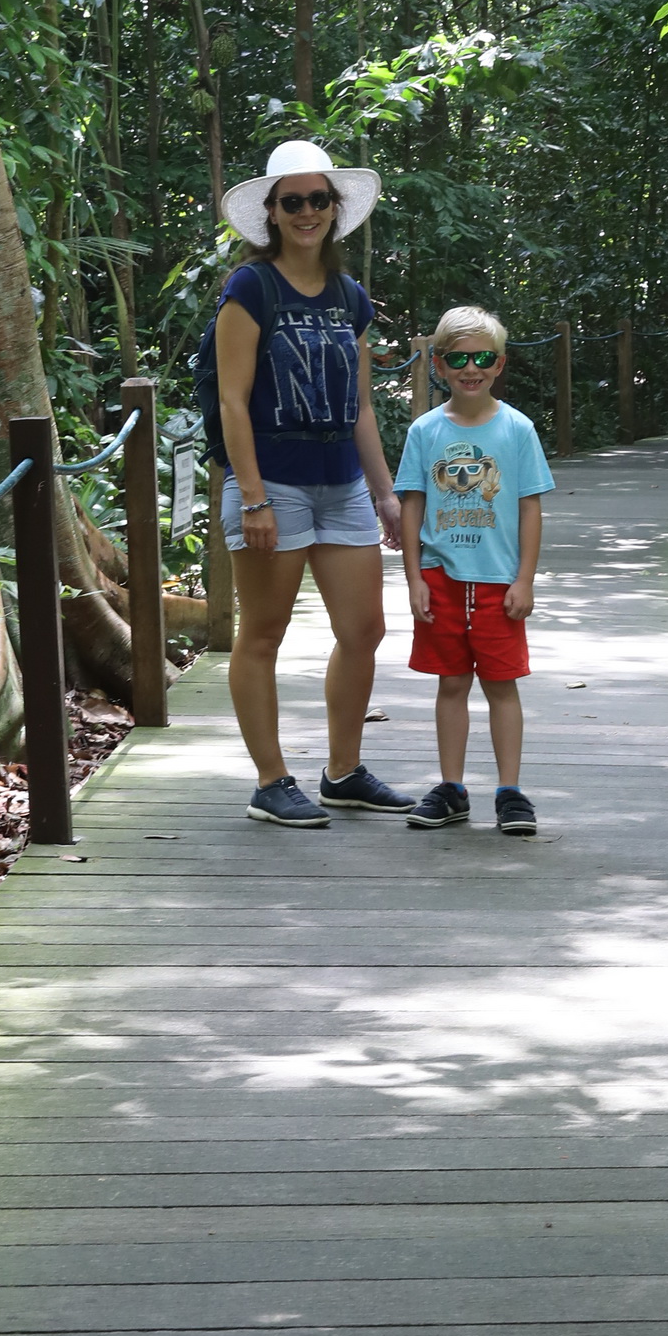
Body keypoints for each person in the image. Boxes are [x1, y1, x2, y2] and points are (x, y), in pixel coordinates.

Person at [215, 138, 417, 828]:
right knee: (263, 631)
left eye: (318, 199)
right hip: (273, 481)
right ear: (271, 212)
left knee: (363, 629)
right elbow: (232, 401)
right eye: (292, 201)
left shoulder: (349, 296)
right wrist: (253, 498)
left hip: (343, 483)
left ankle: (343, 771)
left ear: (335, 207)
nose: (306, 212)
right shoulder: (251, 288)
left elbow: (361, 405)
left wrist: (385, 492)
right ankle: (271, 781)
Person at [395, 303, 554, 835]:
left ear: (500, 363)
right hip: (441, 578)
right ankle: (452, 787)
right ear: (439, 365)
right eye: (458, 359)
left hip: (498, 580)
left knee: (502, 685)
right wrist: (413, 576)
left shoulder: (517, 429)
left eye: (483, 357)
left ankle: (510, 791)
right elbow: (412, 504)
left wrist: (524, 578)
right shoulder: (425, 431)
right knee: (451, 683)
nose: (471, 368)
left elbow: (530, 506)